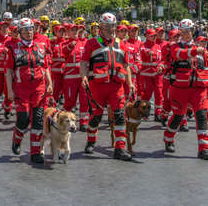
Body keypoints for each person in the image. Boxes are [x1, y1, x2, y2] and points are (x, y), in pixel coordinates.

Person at [81, 12, 134, 161]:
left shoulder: (121, 43)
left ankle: (120, 148)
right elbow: (84, 62)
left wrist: (130, 83)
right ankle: (91, 140)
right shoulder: (91, 42)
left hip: (117, 86)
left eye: (112, 26)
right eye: (107, 27)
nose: (110, 29)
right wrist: (83, 76)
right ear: (101, 27)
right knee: (96, 116)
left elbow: (126, 65)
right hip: (97, 86)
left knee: (119, 116)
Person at [6, 18, 52, 163]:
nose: (29, 32)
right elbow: (8, 71)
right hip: (21, 90)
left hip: (39, 89)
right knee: (23, 120)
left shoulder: (40, 47)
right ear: (20, 32)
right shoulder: (13, 49)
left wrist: (49, 83)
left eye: (31, 29)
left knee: (38, 121)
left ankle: (35, 152)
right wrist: (9, 91)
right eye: (25, 30)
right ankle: (17, 139)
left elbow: (45, 67)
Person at [164, 19, 208, 159]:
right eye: (183, 32)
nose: (186, 34)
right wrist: (196, 50)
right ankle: (169, 138)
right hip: (180, 89)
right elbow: (180, 54)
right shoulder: (175, 47)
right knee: (178, 116)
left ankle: (203, 148)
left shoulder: (202, 49)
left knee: (201, 116)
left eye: (188, 31)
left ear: (193, 31)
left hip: (199, 89)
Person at [63, 24, 89, 131]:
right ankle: (68, 123)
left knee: (85, 100)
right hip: (70, 78)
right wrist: (70, 46)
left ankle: (84, 122)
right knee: (70, 102)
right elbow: (63, 53)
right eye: (72, 30)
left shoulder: (85, 42)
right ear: (67, 32)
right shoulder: (65, 43)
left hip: (83, 77)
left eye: (76, 30)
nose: (74, 32)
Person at [140, 29, 164, 121]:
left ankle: (158, 113)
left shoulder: (158, 46)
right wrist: (146, 53)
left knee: (159, 93)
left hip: (157, 74)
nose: (153, 37)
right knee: (147, 94)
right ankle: (145, 112)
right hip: (146, 74)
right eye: (151, 36)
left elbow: (161, 59)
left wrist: (161, 66)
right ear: (147, 36)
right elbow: (141, 53)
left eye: (155, 36)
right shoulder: (143, 45)